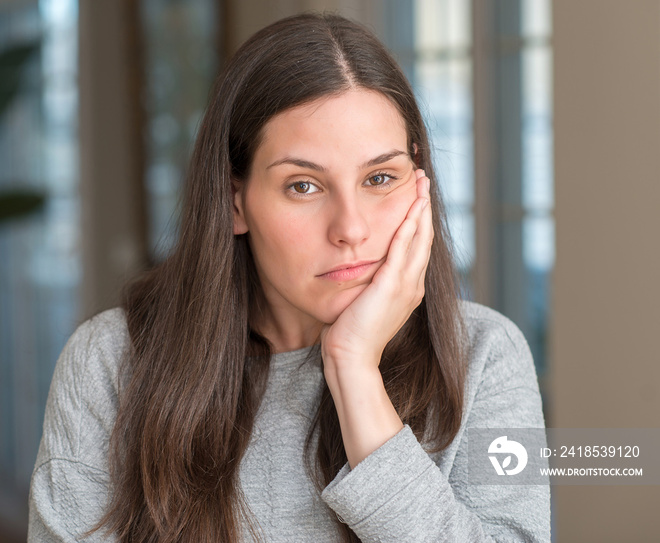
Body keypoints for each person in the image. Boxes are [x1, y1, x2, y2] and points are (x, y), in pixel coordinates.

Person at [28, 12, 550, 543]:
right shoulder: (111, 362)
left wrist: (354, 370)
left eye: (379, 178)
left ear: (419, 181)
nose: (350, 227)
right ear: (236, 202)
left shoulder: (484, 355)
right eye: (303, 186)